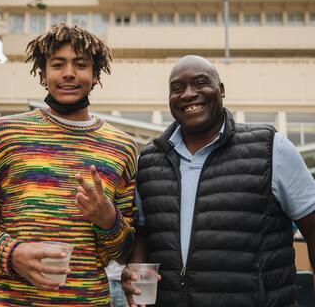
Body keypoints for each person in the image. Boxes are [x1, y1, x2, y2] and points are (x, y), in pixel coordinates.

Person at [0, 24, 137, 306]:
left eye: (80, 65)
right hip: (5, 301)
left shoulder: (121, 147)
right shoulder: (4, 134)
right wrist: (11, 253)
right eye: (58, 64)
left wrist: (108, 220)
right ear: (43, 74)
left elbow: (123, 252)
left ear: (96, 75)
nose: (69, 73)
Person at [122, 55, 315, 307]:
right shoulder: (149, 160)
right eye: (177, 88)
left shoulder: (271, 147)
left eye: (200, 83)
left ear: (221, 90)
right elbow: (145, 235)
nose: (188, 94)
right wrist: (134, 269)